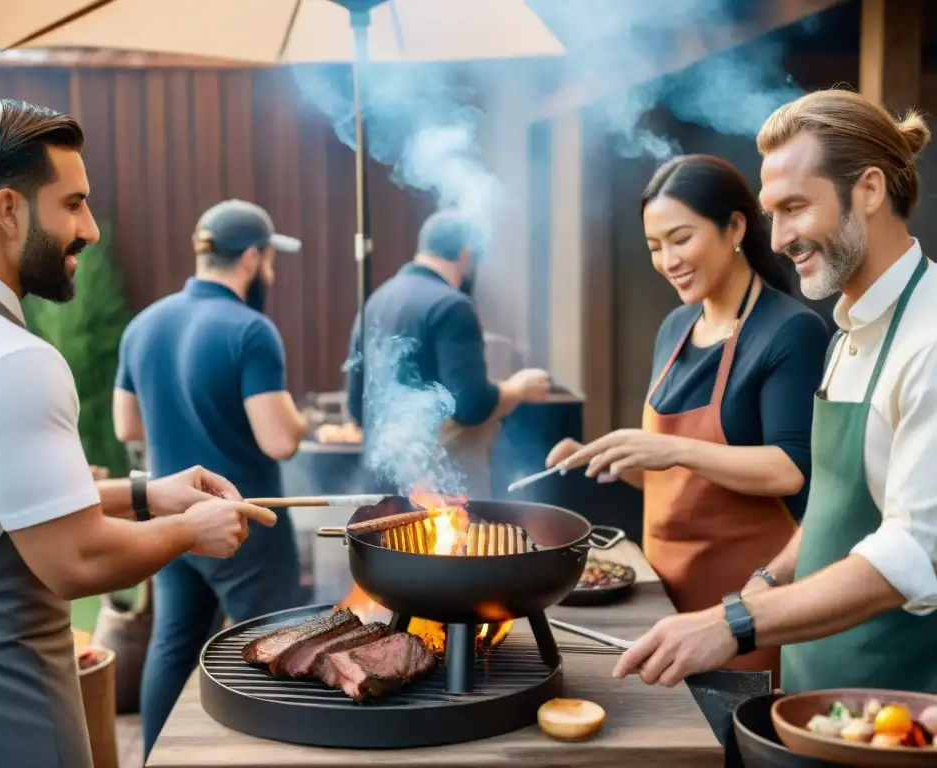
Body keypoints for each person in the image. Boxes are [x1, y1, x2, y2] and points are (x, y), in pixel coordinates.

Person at [0, 100, 274, 768]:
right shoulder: (9, 358)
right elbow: (75, 561)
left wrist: (146, 495)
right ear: (9, 210)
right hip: (0, 715)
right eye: (73, 203)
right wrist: (193, 531)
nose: (91, 230)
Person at [613, 88, 937, 694]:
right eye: (773, 214)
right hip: (809, 688)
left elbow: (913, 555)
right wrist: (765, 580)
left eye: (795, 208)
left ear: (868, 190)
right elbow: (834, 511)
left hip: (897, 706)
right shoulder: (847, 330)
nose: (781, 238)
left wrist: (734, 620)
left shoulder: (930, 339)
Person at [547, 155, 830, 683]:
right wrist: (607, 458)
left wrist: (673, 449)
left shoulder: (790, 330)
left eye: (680, 239)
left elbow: (791, 468)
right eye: (655, 247)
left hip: (746, 610)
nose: (667, 260)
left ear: (735, 228)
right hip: (661, 601)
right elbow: (676, 477)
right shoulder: (675, 326)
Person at [113, 198, 308, 755]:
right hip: (245, 521)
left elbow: (128, 423)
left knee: (172, 646)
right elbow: (280, 439)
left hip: (174, 519)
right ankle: (275, 757)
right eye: (269, 259)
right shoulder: (251, 330)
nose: (269, 270)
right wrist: (297, 416)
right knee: (276, 648)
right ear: (250, 257)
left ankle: (155, 758)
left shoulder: (144, 323)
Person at [344, 209, 550, 498]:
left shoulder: (376, 301)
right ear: (466, 253)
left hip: (381, 486)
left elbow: (355, 406)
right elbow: (472, 406)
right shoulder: (452, 306)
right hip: (440, 495)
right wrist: (518, 388)